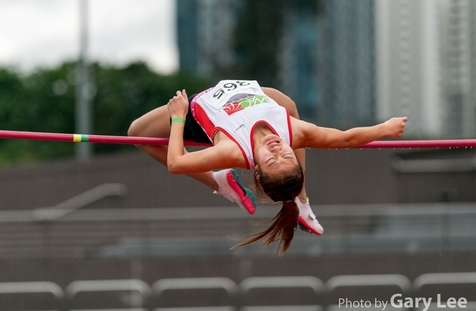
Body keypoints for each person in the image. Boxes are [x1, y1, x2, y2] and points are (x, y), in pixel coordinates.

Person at [128, 80, 407, 255]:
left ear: (258, 171)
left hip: (200, 112)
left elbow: (176, 163)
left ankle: (219, 182)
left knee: (136, 132)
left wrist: (178, 118)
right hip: (248, 93)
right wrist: (384, 128)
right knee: (288, 104)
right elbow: (347, 138)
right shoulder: (294, 133)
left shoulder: (233, 150)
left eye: (272, 160)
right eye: (287, 156)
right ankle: (302, 200)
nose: (278, 149)